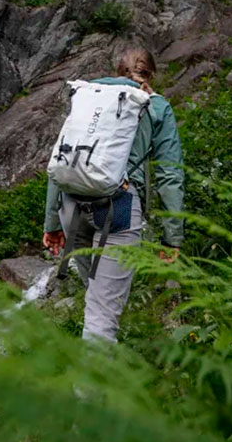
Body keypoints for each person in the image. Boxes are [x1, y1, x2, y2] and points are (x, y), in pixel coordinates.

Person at [42, 47, 184, 342]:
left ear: (117, 70)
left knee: (96, 296)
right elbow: (169, 175)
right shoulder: (157, 106)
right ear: (151, 75)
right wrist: (172, 237)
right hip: (119, 209)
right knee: (102, 314)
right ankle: (92, 371)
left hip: (71, 206)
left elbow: (64, 157)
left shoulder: (88, 95)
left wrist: (52, 223)